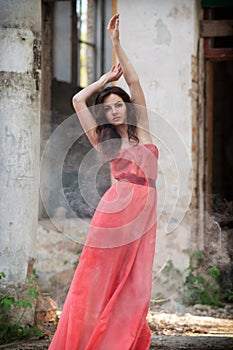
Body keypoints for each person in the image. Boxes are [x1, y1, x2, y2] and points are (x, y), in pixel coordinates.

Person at [49, 14, 158, 350]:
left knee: (136, 285)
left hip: (145, 214)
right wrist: (102, 81)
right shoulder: (104, 141)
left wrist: (115, 44)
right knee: (97, 279)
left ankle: (117, 340)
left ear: (127, 106)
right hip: (115, 214)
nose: (114, 111)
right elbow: (78, 101)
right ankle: (83, 340)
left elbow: (136, 83)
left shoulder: (145, 130)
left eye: (118, 104)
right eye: (108, 108)